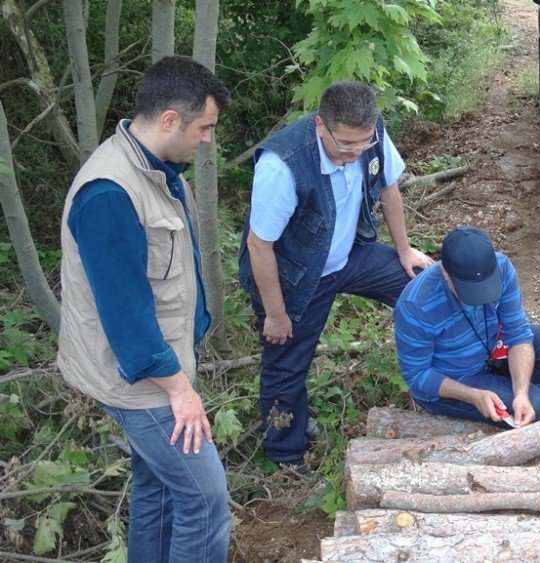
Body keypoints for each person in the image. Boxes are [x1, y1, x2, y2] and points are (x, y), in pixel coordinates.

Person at [58, 56, 232, 560]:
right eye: (204, 128)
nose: (207, 140)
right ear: (171, 120)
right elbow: (126, 317)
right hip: (140, 379)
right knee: (205, 498)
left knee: (158, 489)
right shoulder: (110, 194)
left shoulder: (157, 167)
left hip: (162, 361)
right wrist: (179, 389)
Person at [237, 81, 433, 469]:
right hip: (295, 277)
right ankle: (286, 454)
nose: (355, 152)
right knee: (286, 366)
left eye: (363, 143)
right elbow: (260, 247)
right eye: (345, 145)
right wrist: (276, 314)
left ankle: (451, 382)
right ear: (321, 127)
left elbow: (389, 189)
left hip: (350, 256)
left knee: (423, 287)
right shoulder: (283, 166)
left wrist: (404, 249)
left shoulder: (369, 135)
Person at [392, 226, 540, 426]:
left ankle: (522, 410)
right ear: (444, 272)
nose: (478, 300)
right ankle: (526, 411)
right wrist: (472, 396)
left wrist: (521, 394)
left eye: (486, 289)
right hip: (453, 376)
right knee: (539, 404)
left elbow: (518, 333)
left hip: (488, 352)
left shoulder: (502, 267)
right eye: (468, 292)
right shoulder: (416, 305)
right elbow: (417, 375)